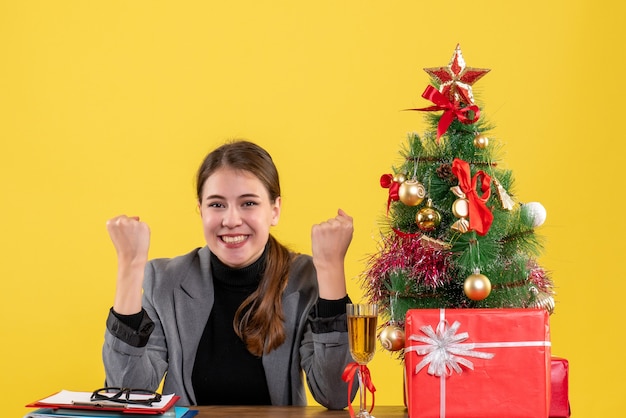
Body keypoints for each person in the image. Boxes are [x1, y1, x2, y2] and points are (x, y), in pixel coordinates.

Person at [102, 139, 357, 408]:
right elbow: (126, 394)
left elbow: (337, 395)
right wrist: (130, 268)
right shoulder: (163, 280)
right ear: (200, 210)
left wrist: (331, 269)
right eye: (216, 205)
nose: (231, 220)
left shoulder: (304, 279)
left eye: (248, 203)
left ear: (275, 210)